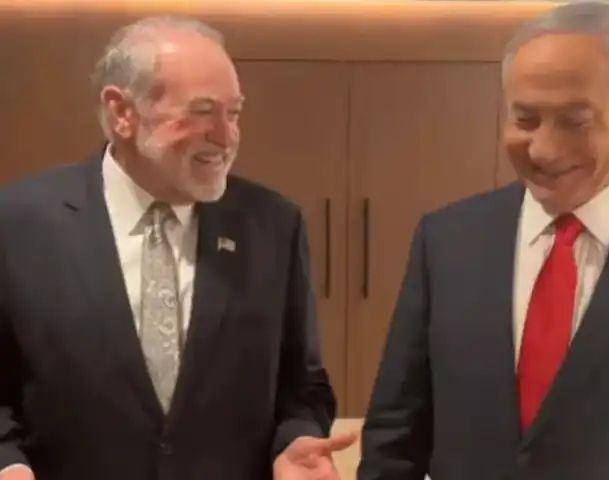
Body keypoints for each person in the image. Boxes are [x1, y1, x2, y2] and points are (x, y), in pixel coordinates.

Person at [358, 2, 609, 479]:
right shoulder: (447, 242)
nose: (544, 151)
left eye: (575, 120)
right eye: (525, 120)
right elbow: (394, 438)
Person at [0, 16, 354, 480]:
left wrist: (297, 441)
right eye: (202, 111)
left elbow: (303, 386)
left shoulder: (272, 226)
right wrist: (8, 466)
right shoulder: (18, 224)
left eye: (234, 113)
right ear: (122, 112)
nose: (226, 137)